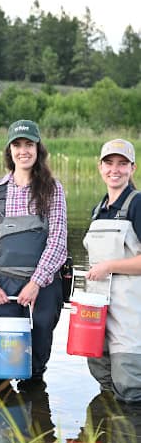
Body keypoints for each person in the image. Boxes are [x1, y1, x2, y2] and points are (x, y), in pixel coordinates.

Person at [0, 119, 67, 385]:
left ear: (39, 149)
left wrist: (36, 283)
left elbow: (58, 240)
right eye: (17, 145)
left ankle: (35, 416)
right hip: (3, 285)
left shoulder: (53, 189)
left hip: (44, 286)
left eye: (29, 144)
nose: (23, 150)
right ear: (9, 150)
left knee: (35, 360)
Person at [83, 139, 141, 403]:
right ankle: (106, 440)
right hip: (97, 314)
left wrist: (108, 267)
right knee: (103, 377)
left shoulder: (137, 204)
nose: (114, 169)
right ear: (100, 167)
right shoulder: (99, 210)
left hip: (129, 314)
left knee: (129, 386)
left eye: (122, 164)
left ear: (133, 168)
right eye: (109, 163)